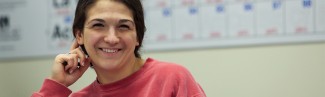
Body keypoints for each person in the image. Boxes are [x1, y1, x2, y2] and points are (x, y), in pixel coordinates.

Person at [31, 0, 206, 97]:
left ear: (138, 36)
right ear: (79, 35)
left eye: (124, 26)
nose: (112, 38)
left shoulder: (173, 78)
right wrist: (56, 86)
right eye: (98, 25)